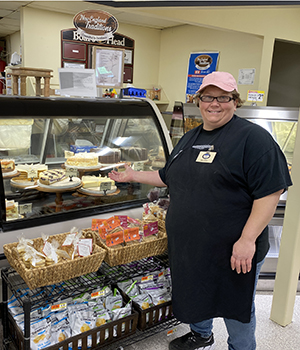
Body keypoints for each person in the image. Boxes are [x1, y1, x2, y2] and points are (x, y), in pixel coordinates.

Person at [109, 71, 292, 350]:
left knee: (236, 307)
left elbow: (270, 192)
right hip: (191, 244)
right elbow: (169, 176)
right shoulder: (190, 137)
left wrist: (247, 240)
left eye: (223, 97)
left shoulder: (254, 139)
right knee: (195, 293)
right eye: (208, 97)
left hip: (234, 248)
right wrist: (133, 176)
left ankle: (241, 348)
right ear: (198, 100)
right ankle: (201, 335)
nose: (214, 104)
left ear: (235, 101)